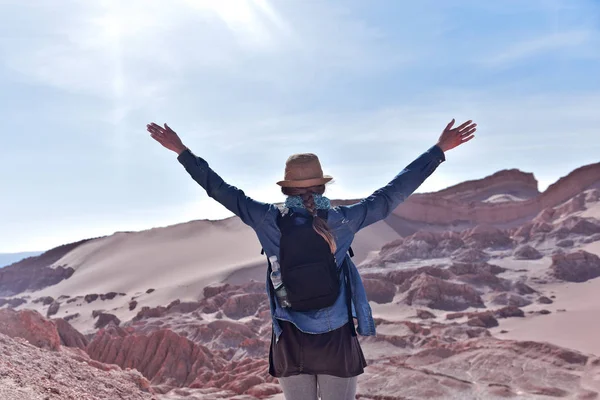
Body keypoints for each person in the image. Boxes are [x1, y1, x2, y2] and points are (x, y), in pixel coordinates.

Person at [147, 119, 477, 400]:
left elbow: (220, 189)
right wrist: (437, 151)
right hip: (336, 338)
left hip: (290, 339)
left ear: (286, 188)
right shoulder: (343, 219)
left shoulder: (266, 219)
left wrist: (183, 152)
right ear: (321, 184)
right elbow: (393, 193)